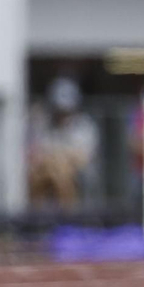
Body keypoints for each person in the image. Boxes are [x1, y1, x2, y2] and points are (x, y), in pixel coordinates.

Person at [27, 76, 99, 208]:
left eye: (66, 110)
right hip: (48, 171)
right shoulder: (44, 123)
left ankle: (68, 217)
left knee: (62, 175)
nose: (62, 114)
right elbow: (37, 154)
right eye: (59, 110)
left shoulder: (84, 125)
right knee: (37, 176)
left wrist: (59, 160)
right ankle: (35, 219)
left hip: (78, 174)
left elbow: (82, 158)